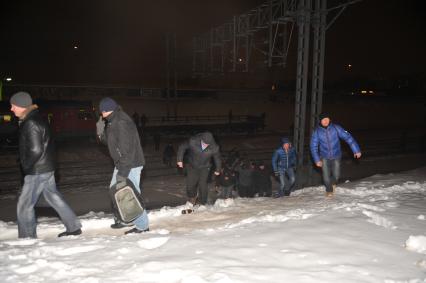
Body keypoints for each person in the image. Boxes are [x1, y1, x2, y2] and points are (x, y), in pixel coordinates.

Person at [10, 92, 82, 238]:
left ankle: (27, 238)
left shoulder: (30, 122)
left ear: (22, 106)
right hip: (46, 167)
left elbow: (36, 150)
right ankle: (73, 227)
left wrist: (26, 165)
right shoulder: (36, 119)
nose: (11, 109)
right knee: (53, 197)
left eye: (13, 106)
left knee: (24, 205)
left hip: (37, 170)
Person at [96, 97, 149, 234]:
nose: (101, 115)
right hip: (123, 163)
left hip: (130, 164)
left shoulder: (121, 122)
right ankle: (126, 218)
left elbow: (128, 150)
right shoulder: (113, 121)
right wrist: (100, 132)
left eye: (103, 112)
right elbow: (110, 142)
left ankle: (142, 226)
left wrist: (123, 173)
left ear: (108, 110)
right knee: (118, 191)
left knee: (130, 195)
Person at [310, 113, 362, 197]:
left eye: (327, 119)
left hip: (336, 156)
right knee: (326, 178)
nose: (326, 121)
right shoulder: (317, 132)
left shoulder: (336, 128)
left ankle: (332, 183)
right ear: (320, 121)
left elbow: (348, 138)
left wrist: (356, 150)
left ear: (329, 119)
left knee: (336, 176)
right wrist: (317, 160)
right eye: (323, 119)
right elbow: (313, 146)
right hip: (324, 157)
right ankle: (329, 190)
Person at [176, 131, 221, 205]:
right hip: (192, 166)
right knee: (190, 186)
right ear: (201, 139)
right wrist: (179, 160)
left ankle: (203, 202)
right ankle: (192, 197)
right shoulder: (193, 141)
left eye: (207, 144)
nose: (205, 145)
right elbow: (182, 147)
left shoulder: (215, 147)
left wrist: (218, 169)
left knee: (203, 186)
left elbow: (217, 158)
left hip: (205, 167)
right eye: (204, 143)